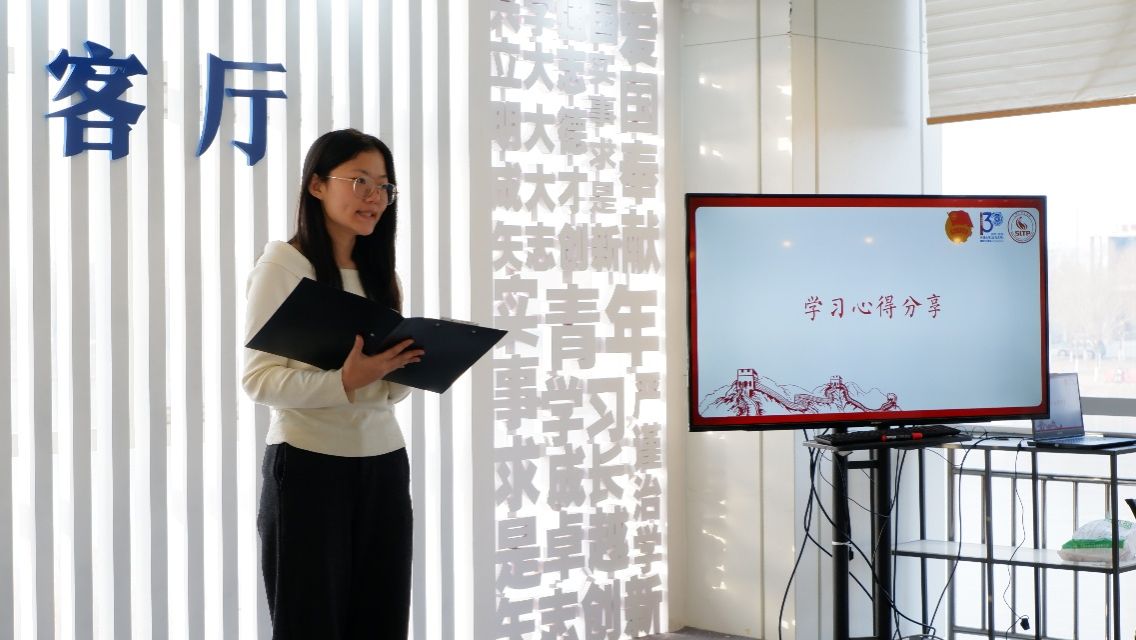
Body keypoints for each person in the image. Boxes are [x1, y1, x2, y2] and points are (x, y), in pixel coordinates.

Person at [242, 128, 424, 638]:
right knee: (310, 623)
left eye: (384, 186)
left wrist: (403, 368)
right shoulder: (284, 267)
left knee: (382, 621)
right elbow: (258, 379)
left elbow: (385, 390)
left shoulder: (380, 276)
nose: (374, 197)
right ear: (317, 185)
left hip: (385, 463)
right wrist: (344, 381)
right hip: (308, 466)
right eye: (360, 181)